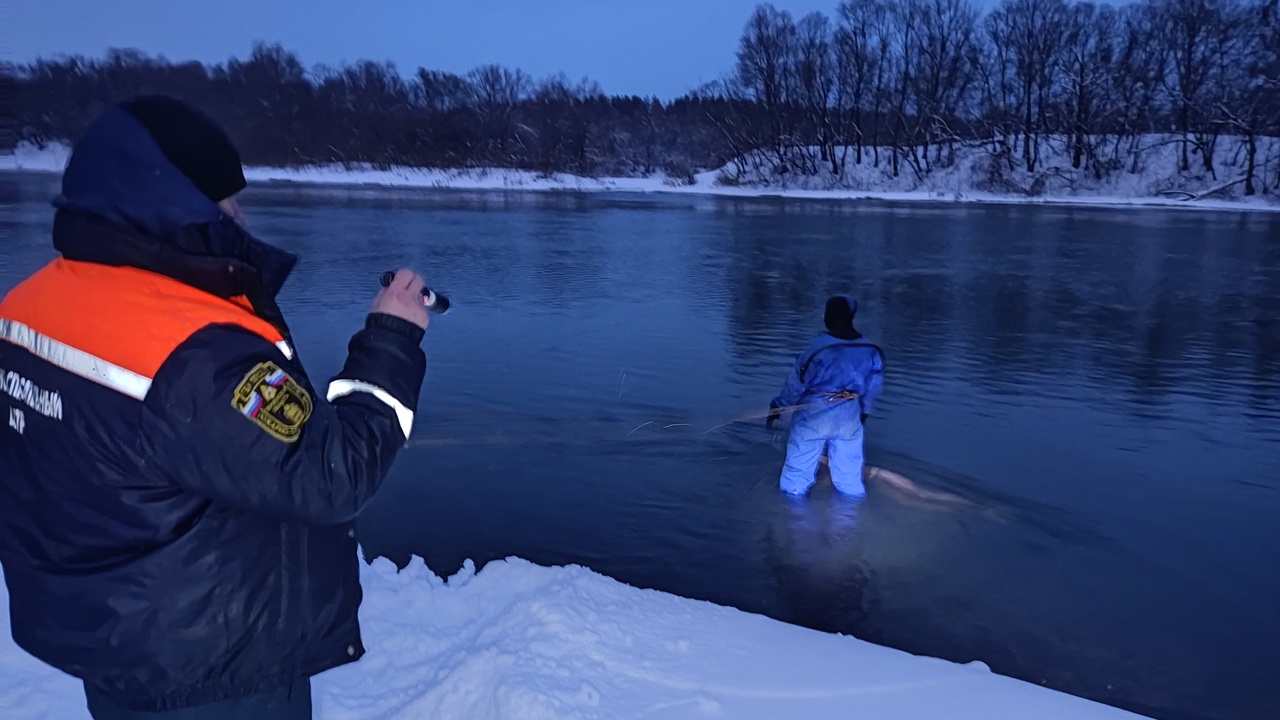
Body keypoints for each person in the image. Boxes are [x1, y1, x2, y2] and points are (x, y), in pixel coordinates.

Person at [0, 95, 430, 719]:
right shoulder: (198, 355)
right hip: (214, 668)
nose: (241, 218)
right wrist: (391, 336)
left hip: (113, 642)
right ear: (178, 203)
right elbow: (333, 475)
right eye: (228, 203)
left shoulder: (31, 304)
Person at [767, 294, 885, 497]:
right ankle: (850, 522)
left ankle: (792, 519)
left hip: (813, 415)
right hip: (850, 416)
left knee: (797, 475)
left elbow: (795, 385)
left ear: (830, 316)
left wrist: (778, 406)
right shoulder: (870, 350)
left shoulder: (818, 349)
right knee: (849, 476)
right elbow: (873, 387)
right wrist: (864, 412)